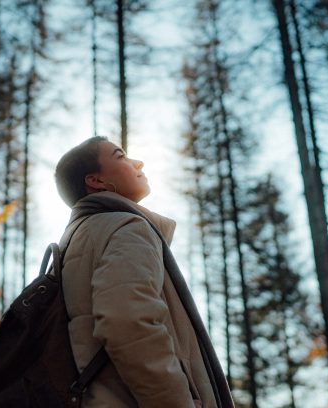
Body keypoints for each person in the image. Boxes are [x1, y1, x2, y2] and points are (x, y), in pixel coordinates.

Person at [55, 136, 233, 408]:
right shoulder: (126, 227)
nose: (137, 162)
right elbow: (127, 320)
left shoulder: (78, 239)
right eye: (120, 156)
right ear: (97, 181)